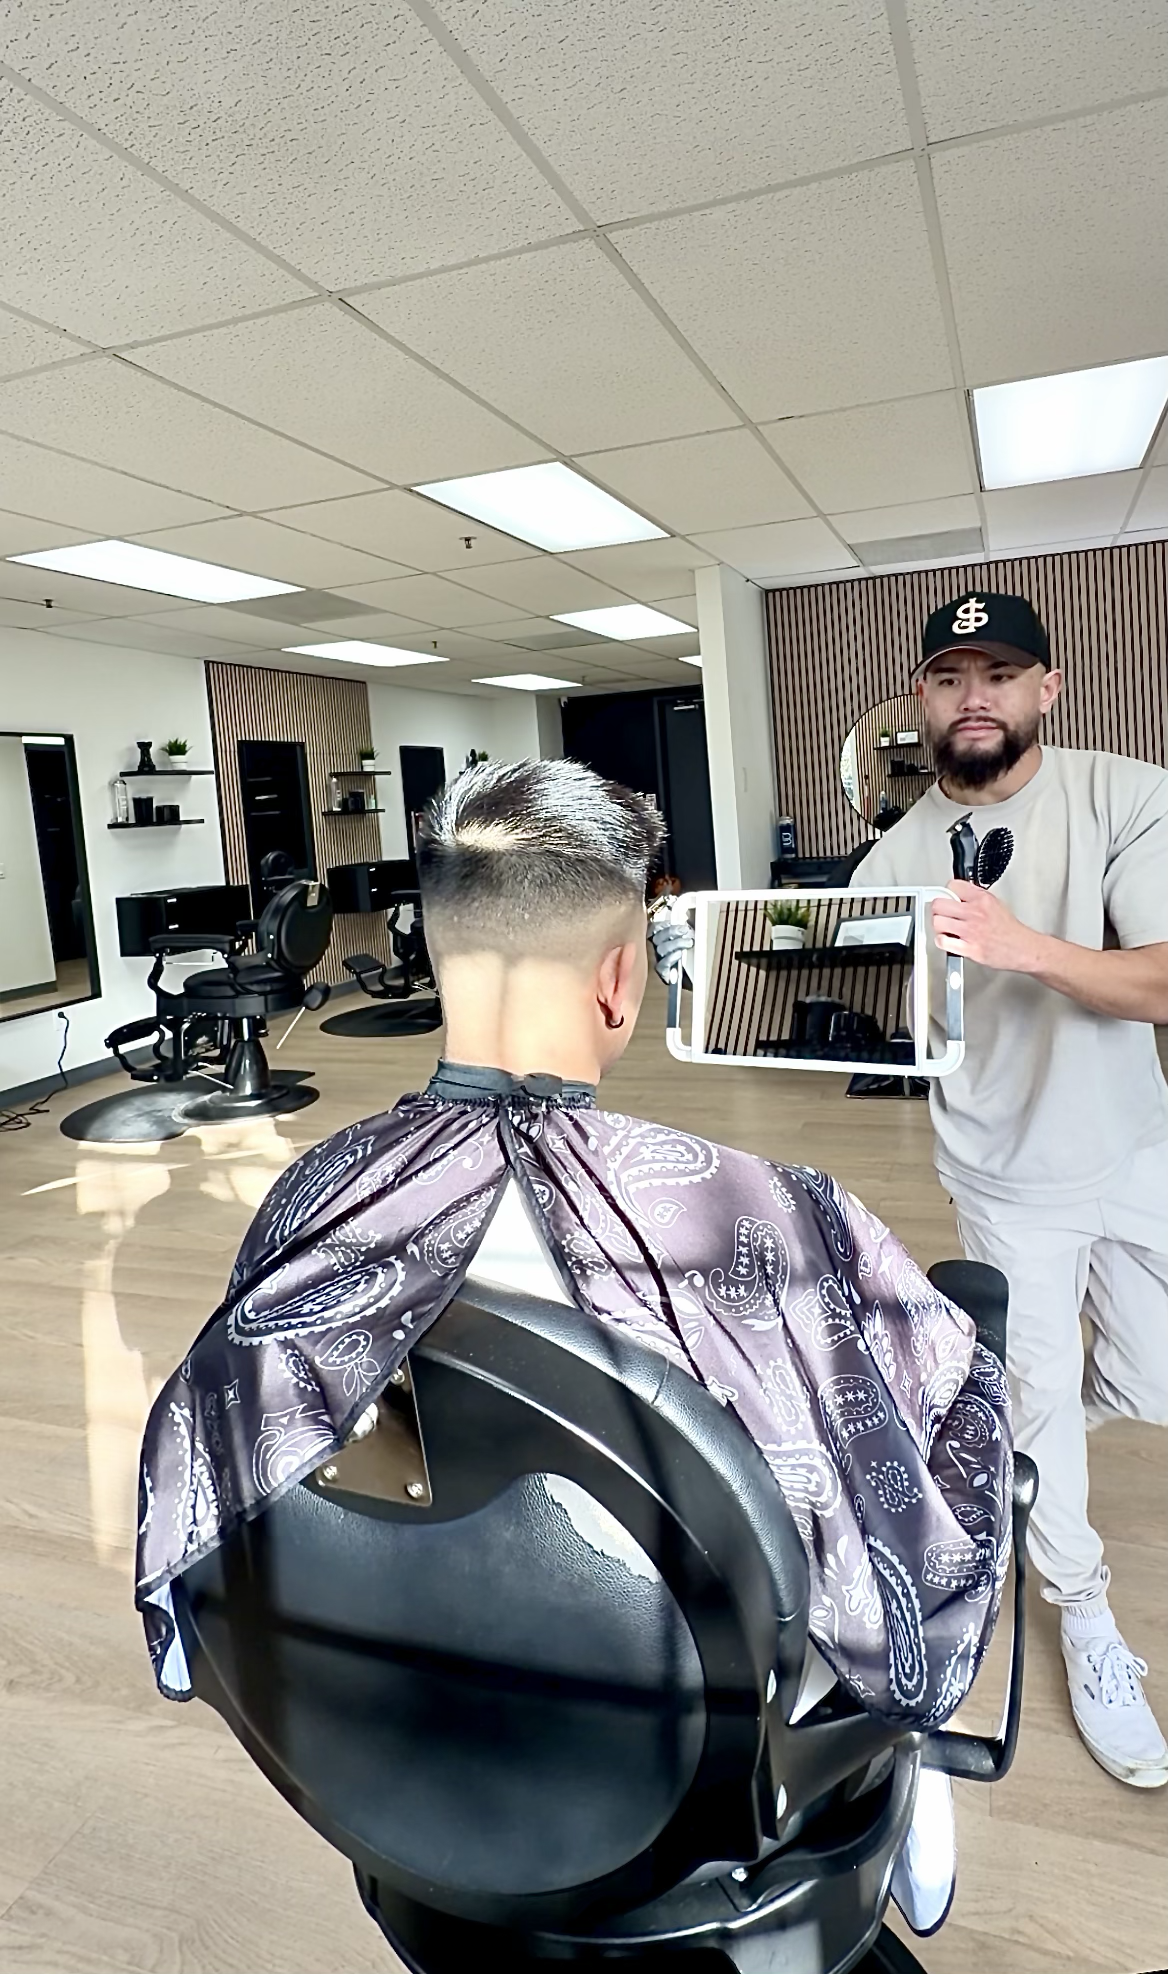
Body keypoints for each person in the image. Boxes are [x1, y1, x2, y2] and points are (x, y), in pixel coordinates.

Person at [136, 760, 1013, 1932]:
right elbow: (903, 1413)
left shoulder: (314, 1195)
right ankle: (882, 1747)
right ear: (616, 979)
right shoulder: (752, 1210)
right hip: (703, 1743)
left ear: (442, 959)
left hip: (402, 1732)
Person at [854, 589, 1168, 1791]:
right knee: (1041, 1391)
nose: (971, 695)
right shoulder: (891, 851)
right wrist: (713, 966)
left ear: (1044, 690)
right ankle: (1082, 1612)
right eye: (947, 676)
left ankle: (1017, 1423)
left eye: (998, 672)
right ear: (922, 703)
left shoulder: (1123, 792)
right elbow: (836, 1001)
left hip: (1137, 1147)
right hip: (1001, 1170)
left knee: (1140, 1378)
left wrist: (1013, 941)